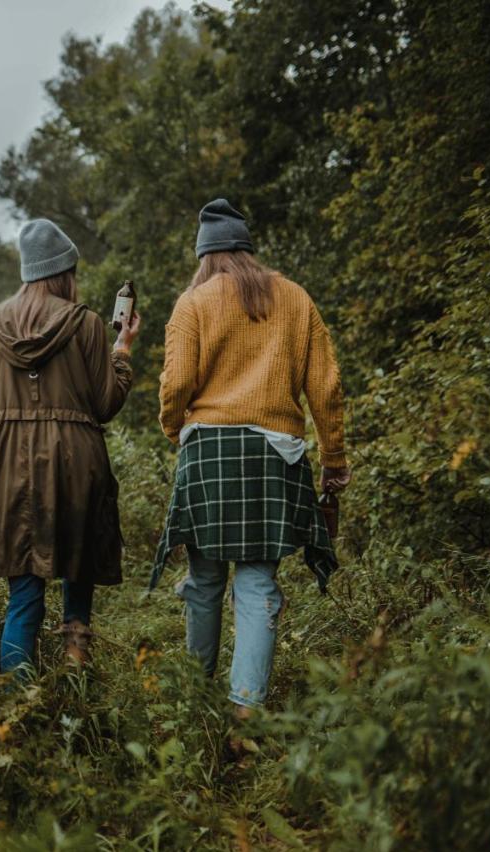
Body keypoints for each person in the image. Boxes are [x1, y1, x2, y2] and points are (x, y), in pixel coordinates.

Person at [153, 198, 350, 714]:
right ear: (246, 248)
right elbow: (325, 389)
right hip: (275, 453)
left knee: (204, 580)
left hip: (210, 451)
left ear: (205, 256)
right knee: (259, 582)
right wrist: (334, 458)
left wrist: (177, 431)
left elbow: (175, 384)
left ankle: (198, 693)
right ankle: (246, 707)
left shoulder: (192, 304)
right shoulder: (295, 298)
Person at [0, 218, 139, 676]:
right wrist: (122, 350)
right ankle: (76, 691)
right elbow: (105, 402)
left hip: (9, 468)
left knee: (23, 594)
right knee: (77, 575)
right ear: (64, 273)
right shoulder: (87, 324)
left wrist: (15, 431)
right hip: (77, 463)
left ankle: (19, 716)